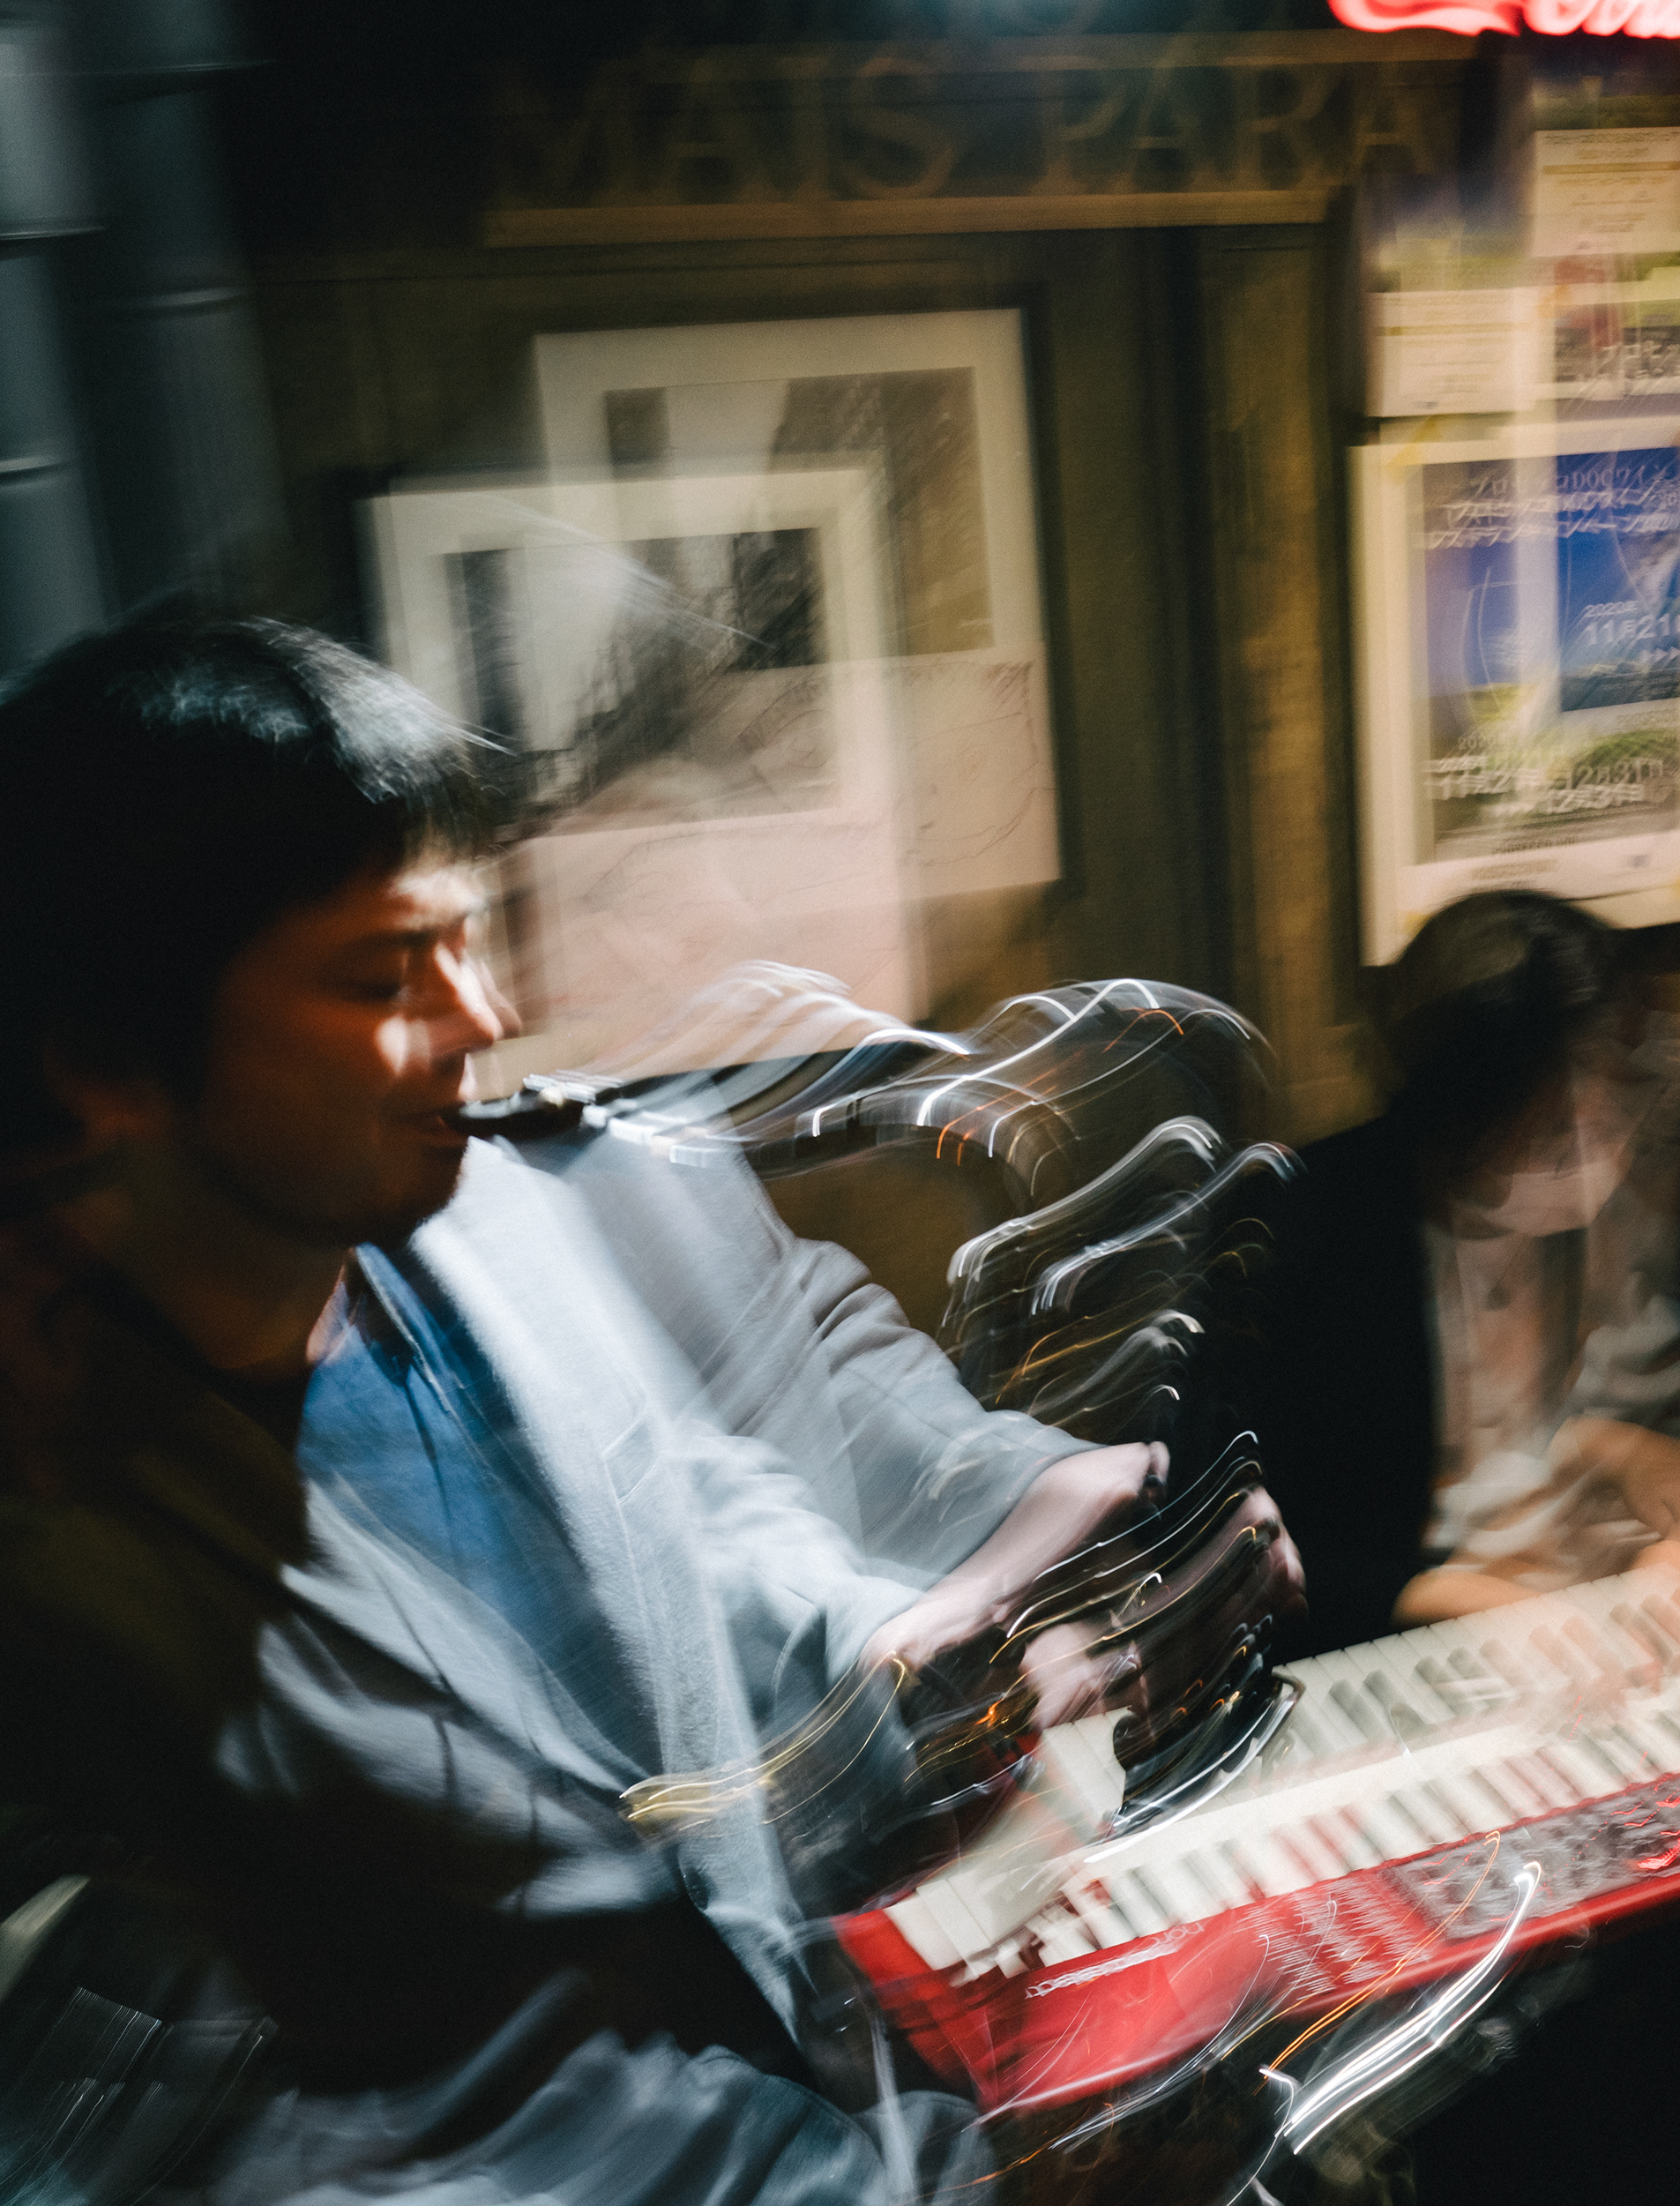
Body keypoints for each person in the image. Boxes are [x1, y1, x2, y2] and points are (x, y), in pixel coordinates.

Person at [0, 617, 1241, 2201]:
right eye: (385, 973)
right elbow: (297, 2118)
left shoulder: (487, 1218)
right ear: (109, 1061)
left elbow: (685, 1515)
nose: (482, 1014)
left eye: (467, 939)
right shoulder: (60, 1545)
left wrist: (930, 1648)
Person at [1258, 891, 1680, 1656]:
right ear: (1459, 1112)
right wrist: (1478, 1602)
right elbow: (1272, 1555)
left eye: (1616, 1103)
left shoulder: (1635, 1184)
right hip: (1422, 1655)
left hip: (1621, 1626)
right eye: (1552, 1129)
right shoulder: (1322, 1226)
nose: (1601, 1142)